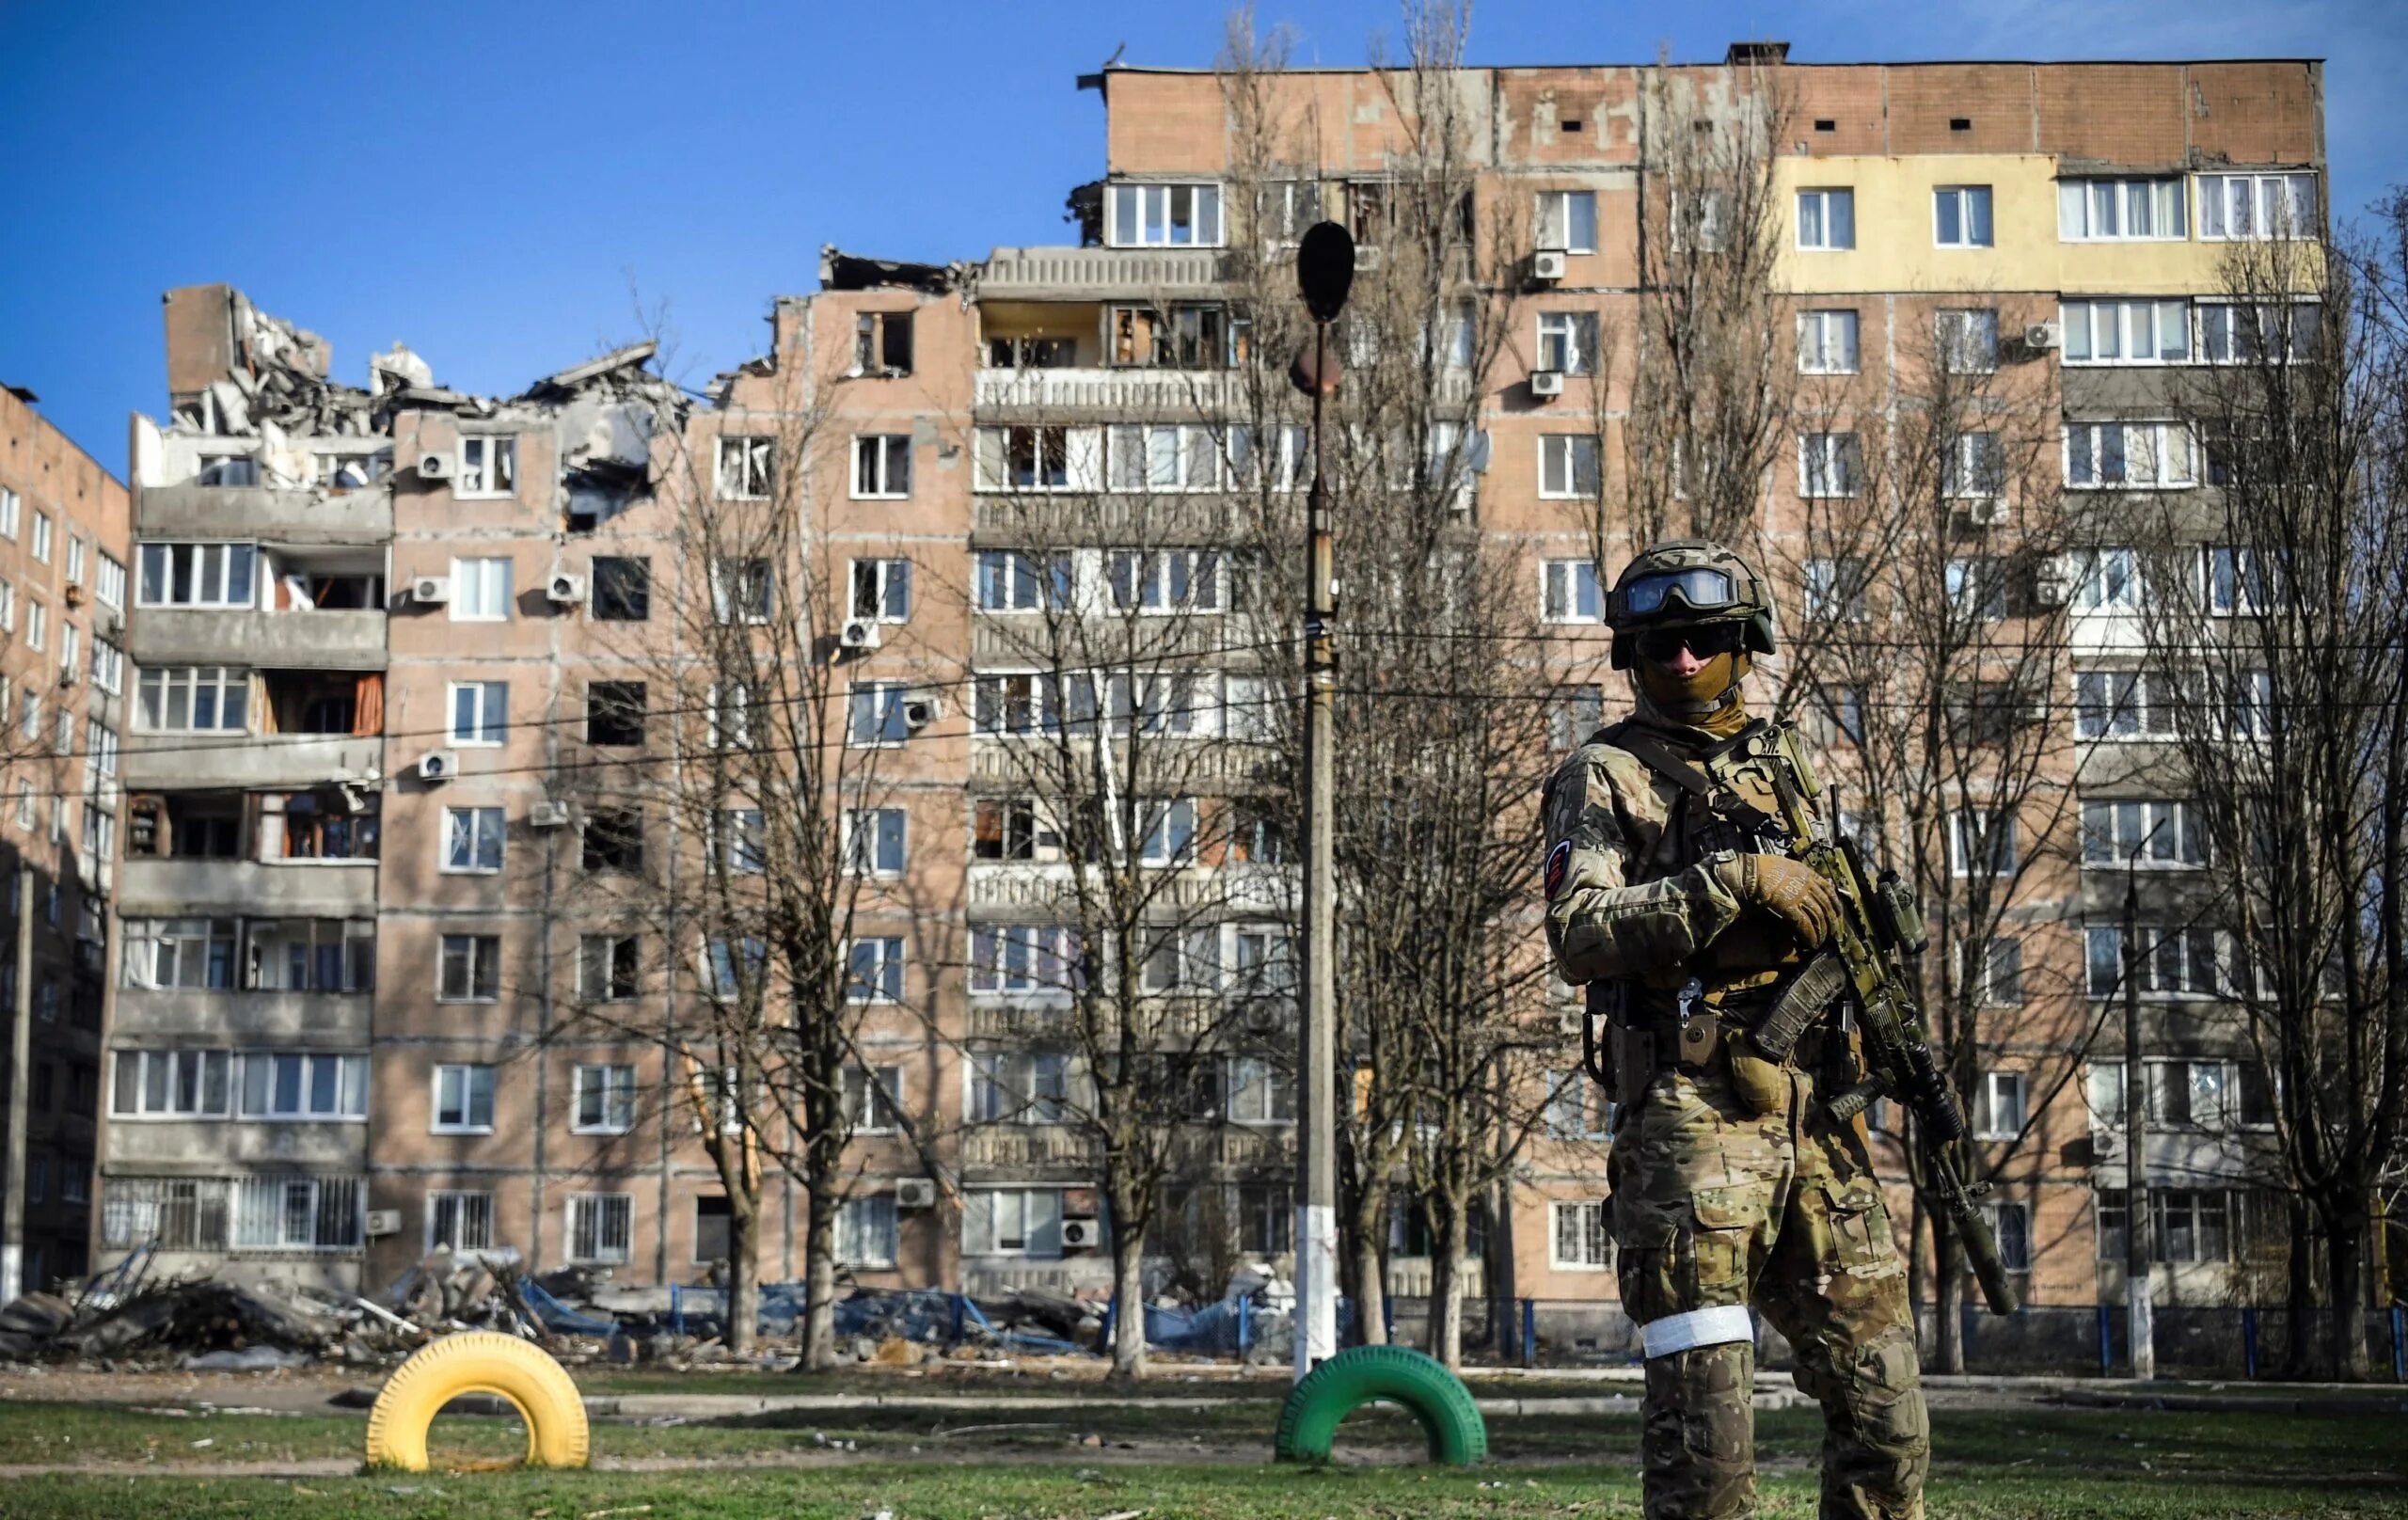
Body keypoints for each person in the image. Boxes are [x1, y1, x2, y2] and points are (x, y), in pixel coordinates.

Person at [1541, 539, 1928, 1520]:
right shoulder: (1604, 773)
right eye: (1660, 642)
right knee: (1706, 1439)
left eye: (1703, 638)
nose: (1681, 658)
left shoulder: (1781, 759)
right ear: (1632, 652)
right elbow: (1578, 931)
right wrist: (1732, 882)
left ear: (1742, 642)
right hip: (1693, 1119)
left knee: (1887, 1413)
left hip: (1816, 1114)